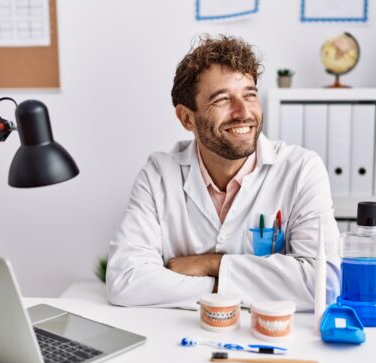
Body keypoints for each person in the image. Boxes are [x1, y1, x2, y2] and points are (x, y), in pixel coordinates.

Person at [106, 34, 340, 311]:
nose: (243, 113)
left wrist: (212, 264)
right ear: (187, 118)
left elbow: (322, 283)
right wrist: (226, 287)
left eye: (250, 95)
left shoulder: (301, 170)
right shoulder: (159, 174)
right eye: (222, 100)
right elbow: (126, 280)